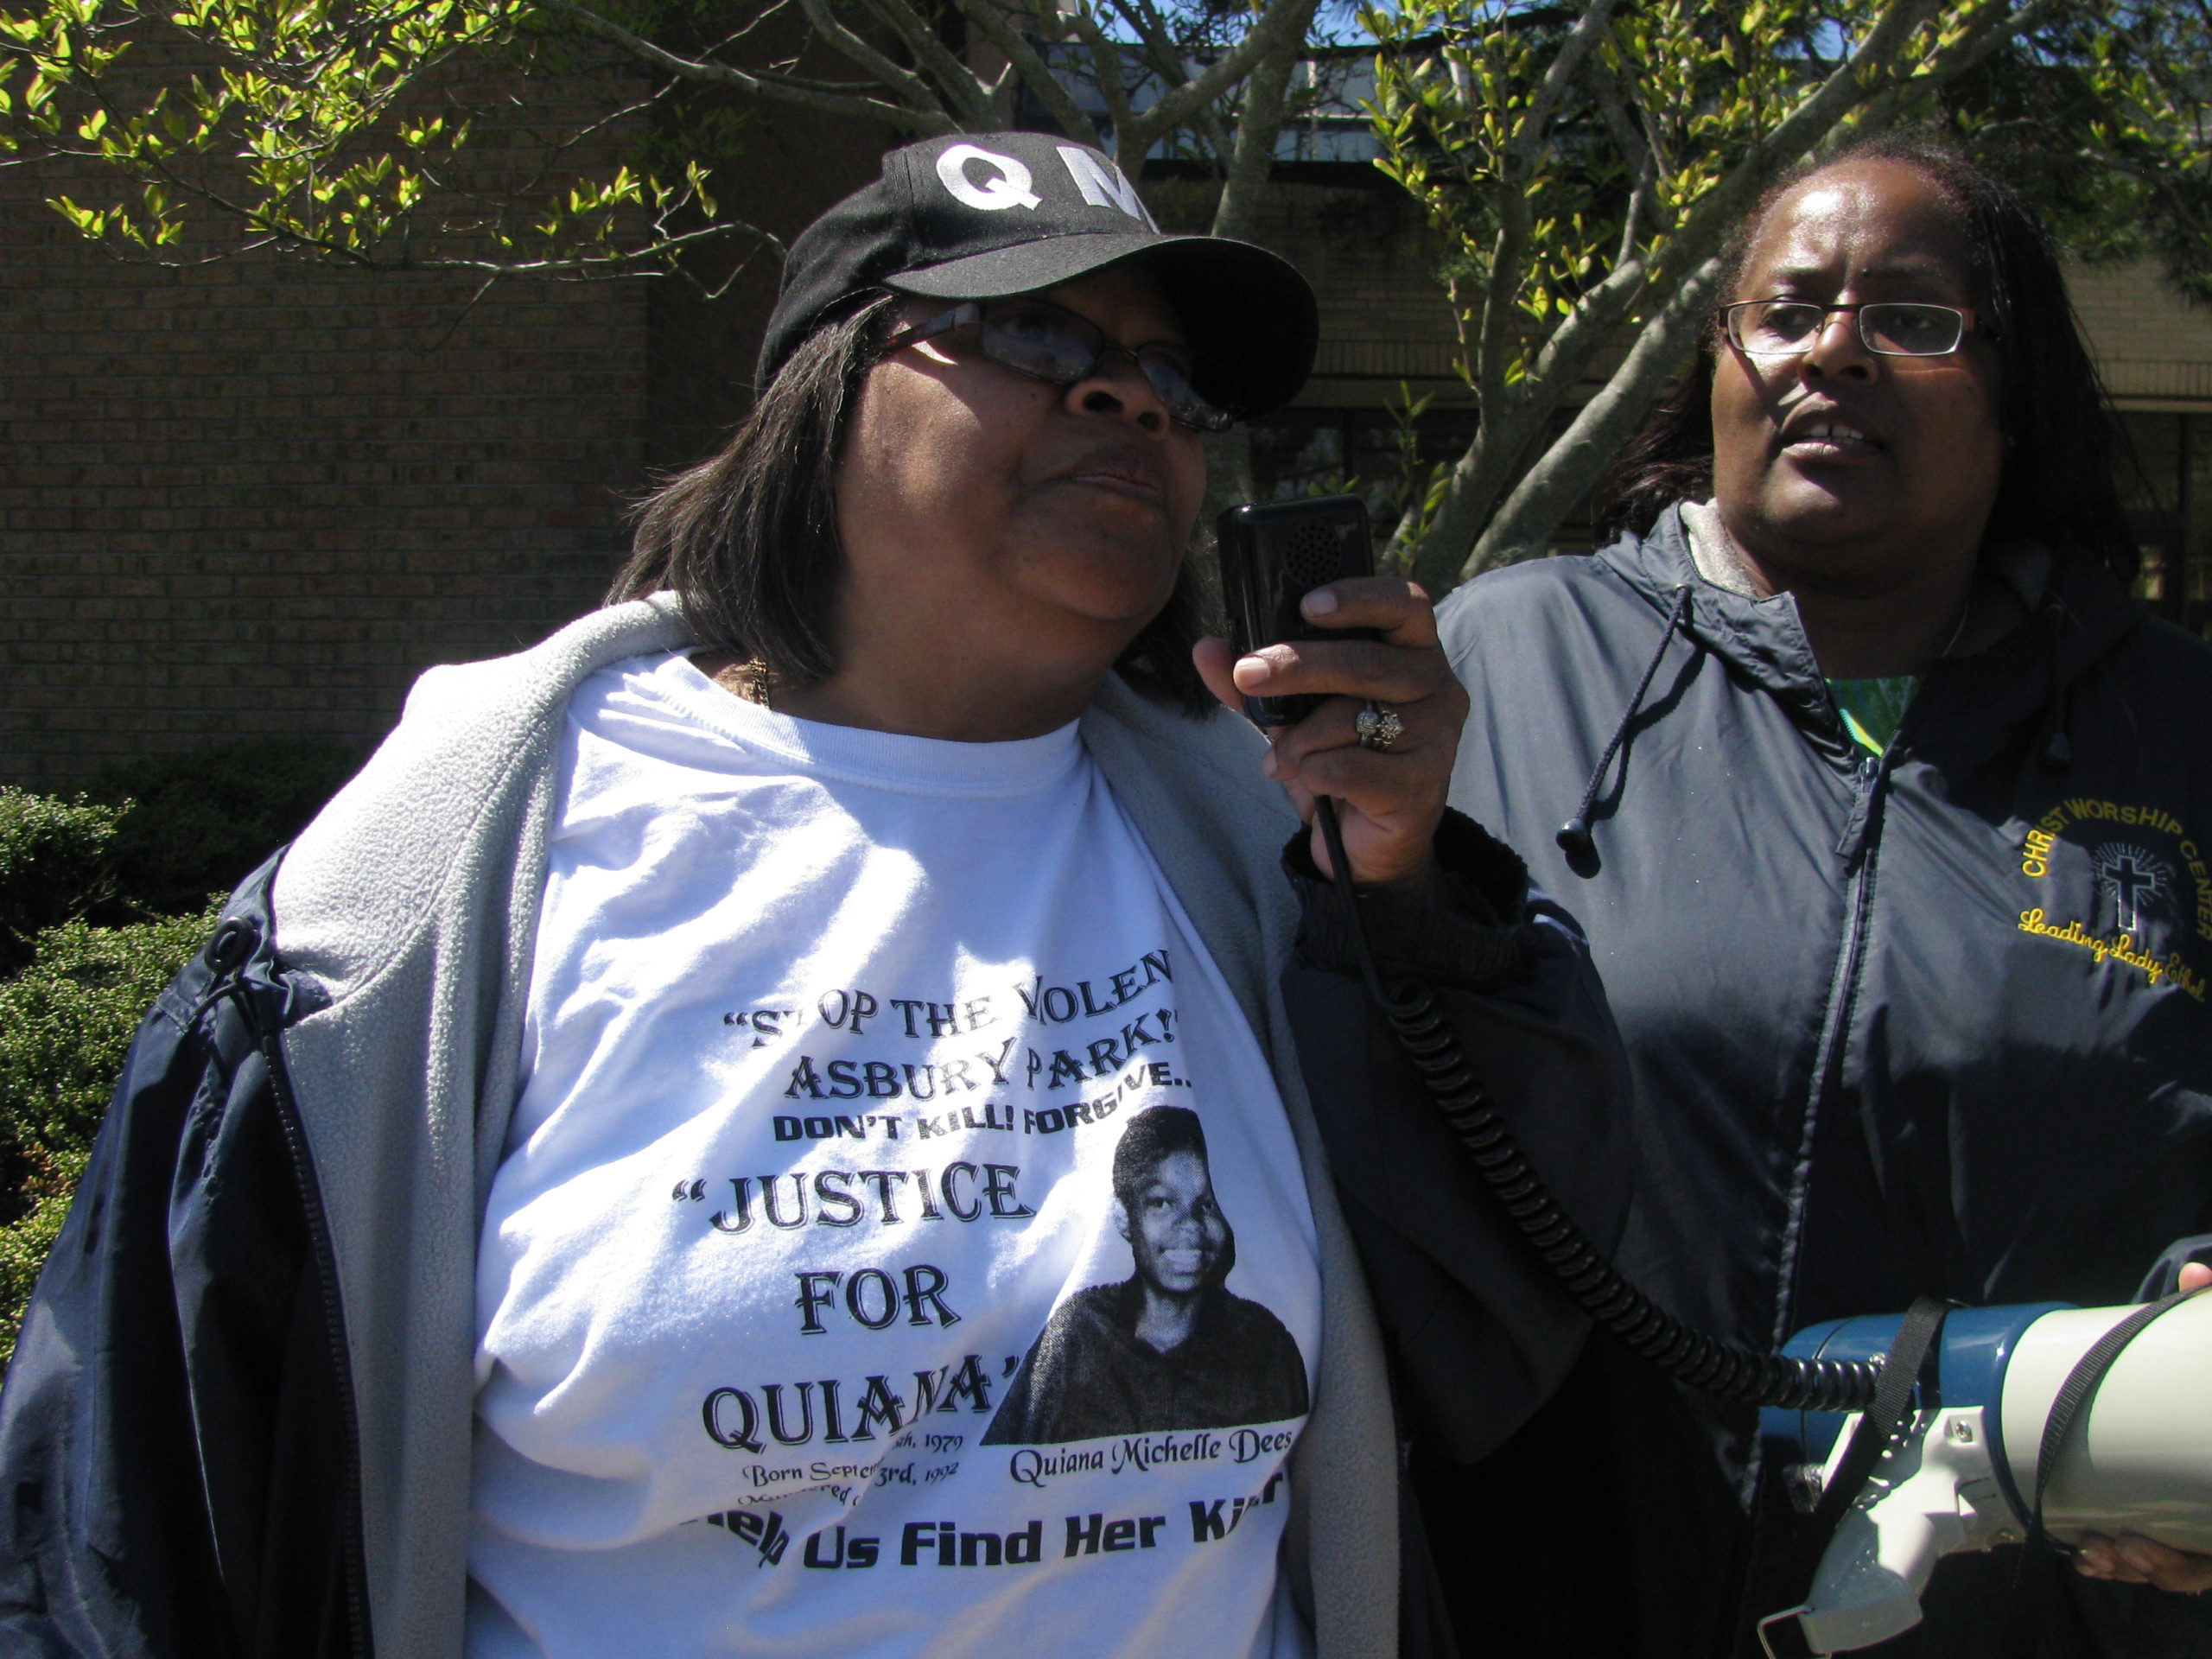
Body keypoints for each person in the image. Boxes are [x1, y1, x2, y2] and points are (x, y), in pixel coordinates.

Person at [0, 131, 1629, 1659]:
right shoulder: (456, 864)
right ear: (824, 394)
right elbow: (129, 1514)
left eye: (1166, 377)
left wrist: (1416, 909)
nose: (1130, 402)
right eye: (1045, 344)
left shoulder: (1264, 849)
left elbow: (1502, 1330)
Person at [1326, 130, 2212, 1658]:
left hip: (2049, 1603)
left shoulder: (2174, 725)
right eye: (1789, 311)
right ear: (1721, 361)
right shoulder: (1507, 668)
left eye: (1915, 321)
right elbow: (1359, 1079)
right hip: (1582, 1589)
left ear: (2019, 396)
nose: (1838, 355)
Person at [983, 1104, 1308, 1444]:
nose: (1190, 1228)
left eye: (1208, 1204)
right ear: (1125, 1218)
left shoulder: (1264, 1344)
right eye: (1161, 1203)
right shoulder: (1081, 1331)